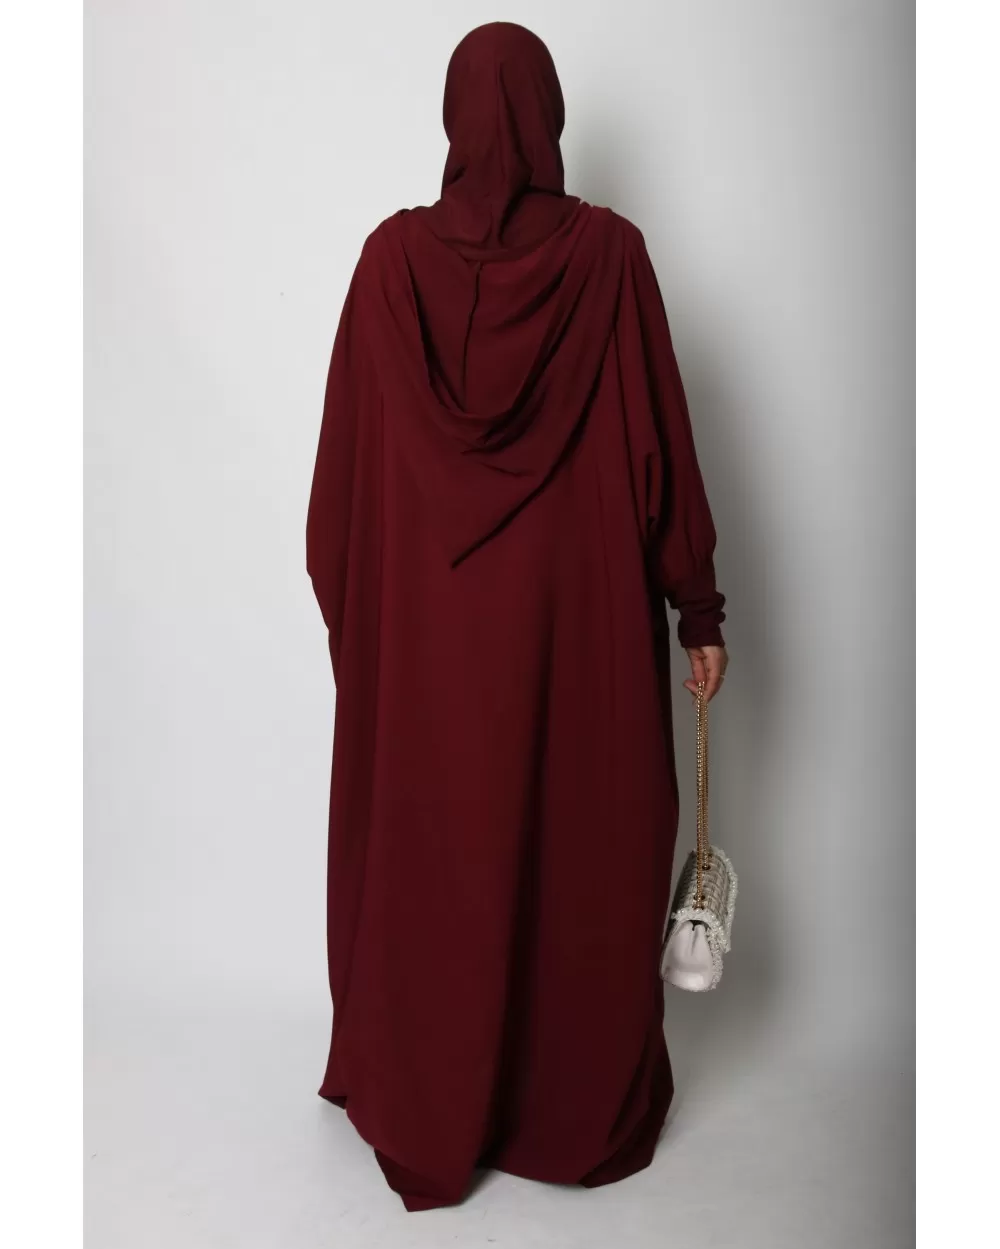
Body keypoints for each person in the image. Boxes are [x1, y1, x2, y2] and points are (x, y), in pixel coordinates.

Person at [306, 20, 730, 1213]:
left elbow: (339, 494)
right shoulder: (610, 259)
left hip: (428, 649)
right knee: (571, 838)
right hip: (573, 634)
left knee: (440, 846)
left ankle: (429, 1087)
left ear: (454, 120)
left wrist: (369, 627)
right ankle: (558, 1103)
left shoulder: (388, 266)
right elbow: (661, 453)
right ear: (548, 120)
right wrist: (697, 606)